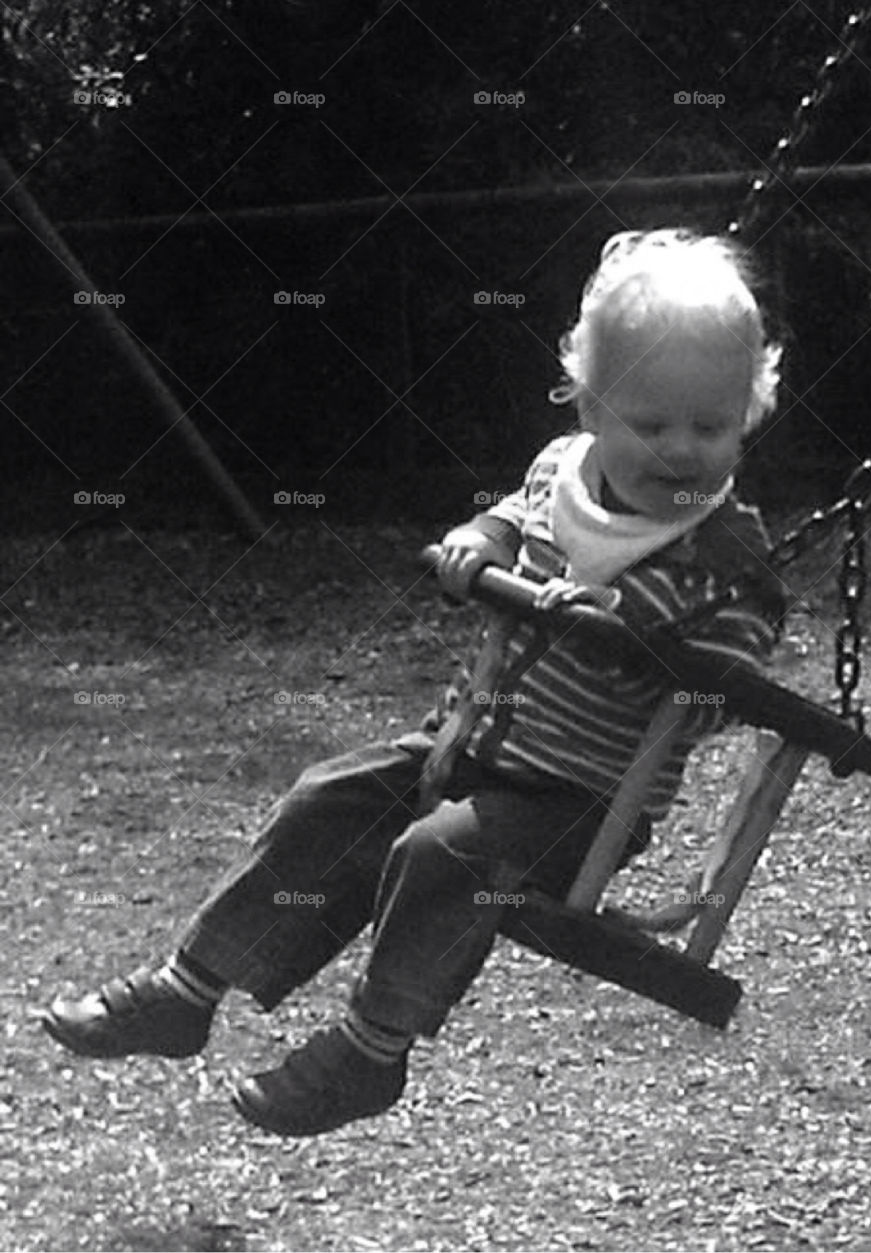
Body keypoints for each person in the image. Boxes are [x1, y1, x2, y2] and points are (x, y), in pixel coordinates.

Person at [42, 228, 787, 1137]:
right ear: (591, 405)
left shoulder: (726, 556)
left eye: (710, 427)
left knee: (444, 854)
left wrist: (646, 640)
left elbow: (734, 676)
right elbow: (513, 519)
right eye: (651, 423)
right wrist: (483, 543)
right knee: (327, 801)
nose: (680, 451)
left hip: (578, 804)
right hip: (463, 743)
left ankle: (369, 1049)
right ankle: (186, 987)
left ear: (747, 415)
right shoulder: (563, 471)